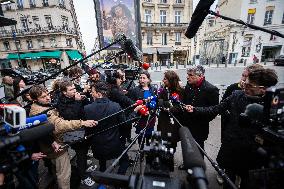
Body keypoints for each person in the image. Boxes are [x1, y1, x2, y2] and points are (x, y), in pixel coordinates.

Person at [184, 68, 278, 189]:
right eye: (244, 82)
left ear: (263, 89)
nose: (244, 86)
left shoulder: (273, 108)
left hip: (253, 156)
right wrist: (195, 109)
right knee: (228, 182)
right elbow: (216, 108)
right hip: (232, 149)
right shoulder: (236, 95)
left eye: (249, 85)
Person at [29, 85, 97, 189]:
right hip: (56, 149)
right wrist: (82, 123)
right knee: (64, 175)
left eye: (47, 94)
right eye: (43, 97)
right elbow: (59, 125)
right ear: (34, 99)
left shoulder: (43, 105)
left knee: (57, 169)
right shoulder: (39, 111)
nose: (48, 97)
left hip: (55, 143)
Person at [84, 81, 141, 174]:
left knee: (102, 160)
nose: (91, 93)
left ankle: (102, 172)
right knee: (125, 161)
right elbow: (125, 123)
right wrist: (135, 111)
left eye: (92, 92)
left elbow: (87, 129)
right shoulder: (115, 106)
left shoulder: (87, 108)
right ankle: (118, 178)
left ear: (98, 94)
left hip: (97, 146)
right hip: (114, 145)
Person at [55, 80, 94, 187]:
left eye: (74, 88)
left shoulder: (74, 97)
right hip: (75, 133)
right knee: (81, 154)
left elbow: (85, 107)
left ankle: (84, 167)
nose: (74, 91)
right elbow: (70, 117)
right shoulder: (61, 102)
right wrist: (77, 101)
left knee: (84, 152)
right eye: (71, 89)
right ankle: (83, 176)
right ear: (64, 92)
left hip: (84, 129)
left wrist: (84, 98)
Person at [182, 65, 219, 150]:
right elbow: (185, 101)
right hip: (187, 124)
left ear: (200, 76)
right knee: (188, 149)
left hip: (200, 127)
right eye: (187, 74)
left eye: (191, 75)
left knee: (198, 151)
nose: (187, 77)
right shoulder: (189, 85)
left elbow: (214, 111)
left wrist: (199, 117)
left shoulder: (211, 89)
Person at [157, 70, 184, 150]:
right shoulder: (162, 89)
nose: (163, 80)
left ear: (171, 80)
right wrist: (165, 104)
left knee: (171, 143)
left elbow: (180, 107)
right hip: (163, 120)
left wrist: (169, 108)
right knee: (161, 141)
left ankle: (169, 159)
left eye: (165, 79)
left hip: (173, 122)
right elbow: (159, 101)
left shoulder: (180, 91)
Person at [128, 71, 157, 145]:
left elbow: (156, 103)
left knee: (149, 136)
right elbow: (132, 104)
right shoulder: (135, 90)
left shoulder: (153, 89)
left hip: (150, 118)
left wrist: (152, 111)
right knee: (141, 137)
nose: (141, 80)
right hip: (140, 119)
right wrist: (140, 110)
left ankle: (148, 150)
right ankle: (141, 151)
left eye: (144, 78)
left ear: (148, 79)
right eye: (140, 78)